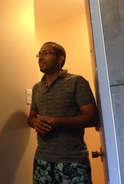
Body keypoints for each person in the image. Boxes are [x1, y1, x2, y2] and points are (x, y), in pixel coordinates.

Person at [28, 42, 99, 184]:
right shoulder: (37, 88)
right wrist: (34, 122)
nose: (41, 58)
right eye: (39, 54)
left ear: (60, 58)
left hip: (72, 161)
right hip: (42, 161)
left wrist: (56, 121)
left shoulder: (77, 82)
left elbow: (92, 118)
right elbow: (31, 117)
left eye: (46, 53)